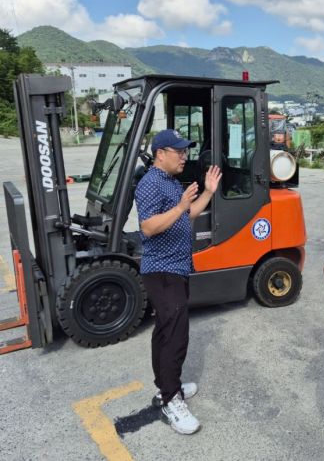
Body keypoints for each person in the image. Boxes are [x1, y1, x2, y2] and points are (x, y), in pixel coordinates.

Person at [134, 128, 221, 435]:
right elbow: (148, 226)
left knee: (166, 331)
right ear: (161, 154)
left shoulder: (170, 182)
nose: (185, 156)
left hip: (177, 268)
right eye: (179, 152)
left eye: (185, 151)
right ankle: (171, 398)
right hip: (162, 270)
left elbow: (187, 217)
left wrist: (208, 193)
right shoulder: (149, 184)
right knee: (175, 336)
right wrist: (181, 206)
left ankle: (166, 386)